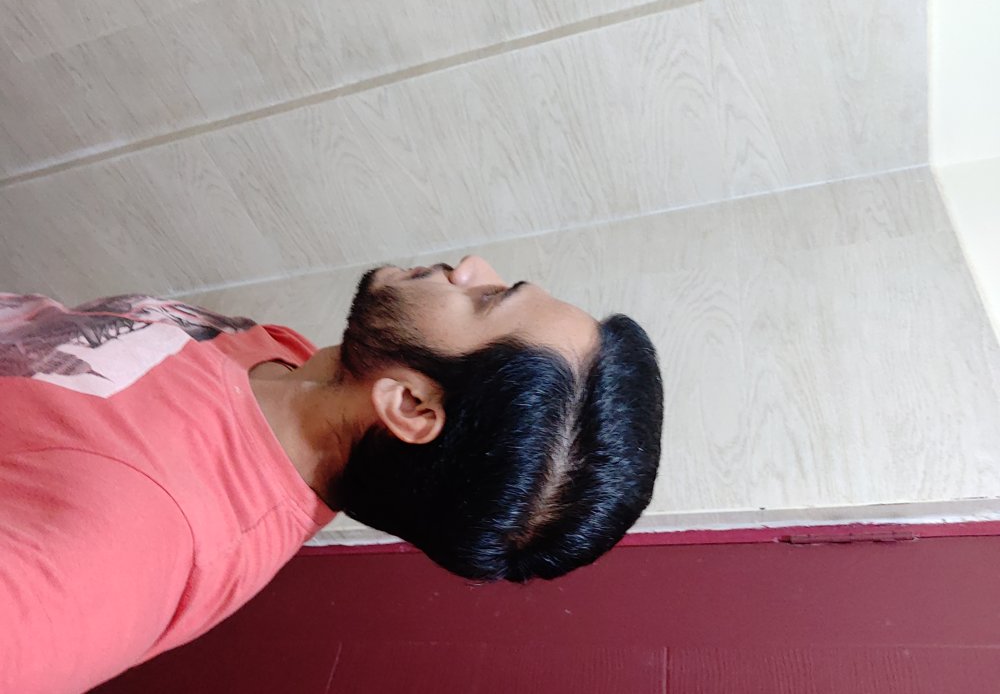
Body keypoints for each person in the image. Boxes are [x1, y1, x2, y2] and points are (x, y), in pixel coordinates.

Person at [0, 255, 663, 693]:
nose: (469, 267)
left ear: (410, 405)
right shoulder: (297, 365)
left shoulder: (135, 541)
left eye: (486, 297)